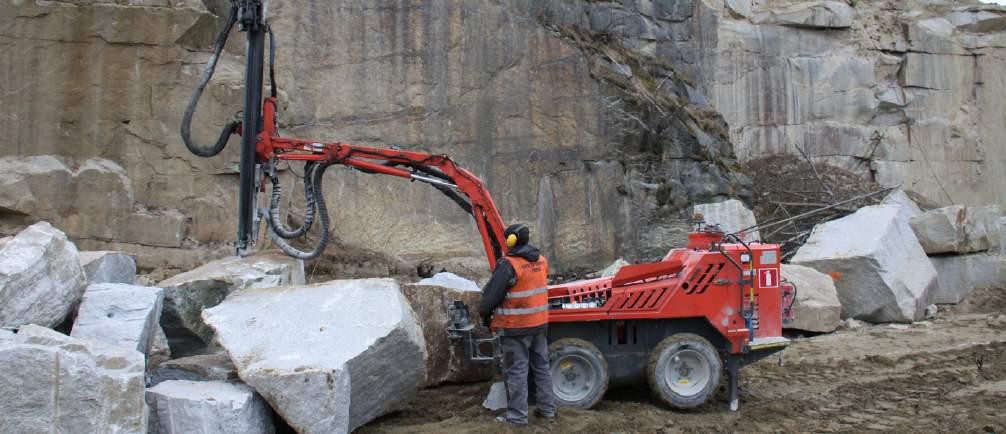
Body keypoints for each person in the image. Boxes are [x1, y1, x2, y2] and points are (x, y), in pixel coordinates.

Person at [479, 223, 557, 427]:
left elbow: (491, 297)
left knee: (517, 371)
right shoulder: (541, 260)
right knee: (542, 367)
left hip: (516, 328)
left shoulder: (509, 265)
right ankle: (548, 411)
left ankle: (517, 418)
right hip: (539, 325)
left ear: (511, 241)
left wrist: (484, 315)